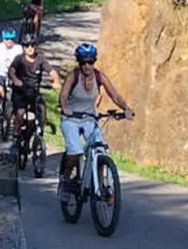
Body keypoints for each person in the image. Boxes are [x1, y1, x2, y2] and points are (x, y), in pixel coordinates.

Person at [57, 42, 133, 196]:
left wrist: (126, 108)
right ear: (79, 62)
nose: (87, 66)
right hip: (71, 119)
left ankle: (100, 185)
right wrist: (65, 107)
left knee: (100, 150)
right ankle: (65, 181)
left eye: (90, 62)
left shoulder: (99, 76)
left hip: (90, 119)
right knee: (75, 151)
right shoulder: (74, 76)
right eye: (83, 62)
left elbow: (115, 95)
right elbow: (63, 95)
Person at [7, 33, 60, 140]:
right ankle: (16, 131)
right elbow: (11, 71)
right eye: (27, 46)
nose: (30, 48)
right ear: (23, 47)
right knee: (20, 112)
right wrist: (16, 80)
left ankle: (40, 132)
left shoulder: (40, 59)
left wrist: (56, 80)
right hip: (20, 91)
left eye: (32, 45)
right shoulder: (19, 59)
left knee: (42, 109)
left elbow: (51, 71)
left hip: (34, 91)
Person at [0, 27, 23, 114]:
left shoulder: (18, 48)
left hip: (14, 74)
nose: (9, 41)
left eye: (12, 39)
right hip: (1, 73)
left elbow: (22, 60)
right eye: (7, 39)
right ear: (3, 39)